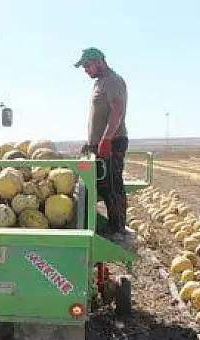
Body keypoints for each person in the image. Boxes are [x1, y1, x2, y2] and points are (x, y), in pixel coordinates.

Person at [74, 47, 133, 243]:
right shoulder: (99, 83)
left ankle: (118, 229)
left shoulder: (112, 81)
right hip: (100, 143)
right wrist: (91, 142)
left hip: (112, 142)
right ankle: (110, 226)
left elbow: (118, 111)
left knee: (113, 184)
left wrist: (106, 139)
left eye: (87, 66)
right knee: (103, 185)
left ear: (99, 62)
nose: (85, 70)